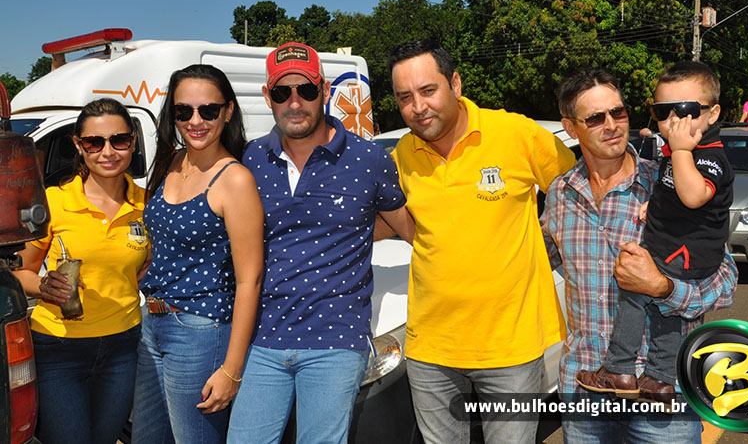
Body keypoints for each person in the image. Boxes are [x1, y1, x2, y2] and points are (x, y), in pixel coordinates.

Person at [386, 38, 576, 443]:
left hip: (510, 348)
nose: (418, 106)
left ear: (455, 84)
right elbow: (387, 223)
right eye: (405, 97)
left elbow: (581, 193)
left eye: (428, 90)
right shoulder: (402, 155)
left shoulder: (515, 133)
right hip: (430, 351)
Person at [227, 42, 412, 443]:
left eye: (307, 90)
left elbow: (410, 228)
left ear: (325, 91)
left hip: (336, 340)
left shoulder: (368, 159)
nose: (295, 103)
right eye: (282, 92)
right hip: (264, 338)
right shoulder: (251, 160)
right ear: (268, 96)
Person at [541, 67, 737, 443]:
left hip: (664, 400)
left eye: (618, 112)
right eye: (595, 118)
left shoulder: (670, 183)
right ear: (570, 127)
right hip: (584, 392)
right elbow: (539, 261)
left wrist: (664, 288)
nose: (612, 125)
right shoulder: (559, 196)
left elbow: (726, 283)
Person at [577, 61, 733, 401]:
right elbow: (673, 191)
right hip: (675, 247)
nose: (675, 121)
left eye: (686, 110)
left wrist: (680, 151)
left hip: (685, 254)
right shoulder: (564, 192)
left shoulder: (706, 156)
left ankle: (619, 368)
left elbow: (693, 195)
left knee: (636, 293)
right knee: (665, 315)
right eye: (663, 112)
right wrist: (656, 204)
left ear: (713, 114)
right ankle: (659, 380)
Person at [132, 64, 264, 443]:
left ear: (228, 111)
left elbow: (250, 279)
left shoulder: (235, 180)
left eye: (208, 110)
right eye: (183, 111)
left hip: (201, 332)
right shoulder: (171, 162)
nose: (195, 121)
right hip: (151, 323)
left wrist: (232, 369)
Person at [14, 98, 148, 444]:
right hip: (58, 347)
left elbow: (146, 270)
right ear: (78, 145)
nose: (108, 152)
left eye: (119, 140)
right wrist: (44, 287)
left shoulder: (146, 204)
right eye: (94, 142)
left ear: (133, 142)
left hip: (123, 347)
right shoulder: (54, 201)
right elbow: (20, 273)